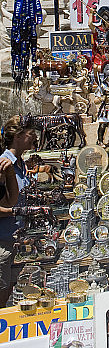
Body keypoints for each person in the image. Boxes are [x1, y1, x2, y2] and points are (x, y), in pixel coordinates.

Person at [0, 117, 37, 307]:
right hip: (3, 242)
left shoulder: (21, 165)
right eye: (31, 134)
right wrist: (16, 211)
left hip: (16, 242)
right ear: (18, 136)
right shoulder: (3, 164)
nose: (35, 137)